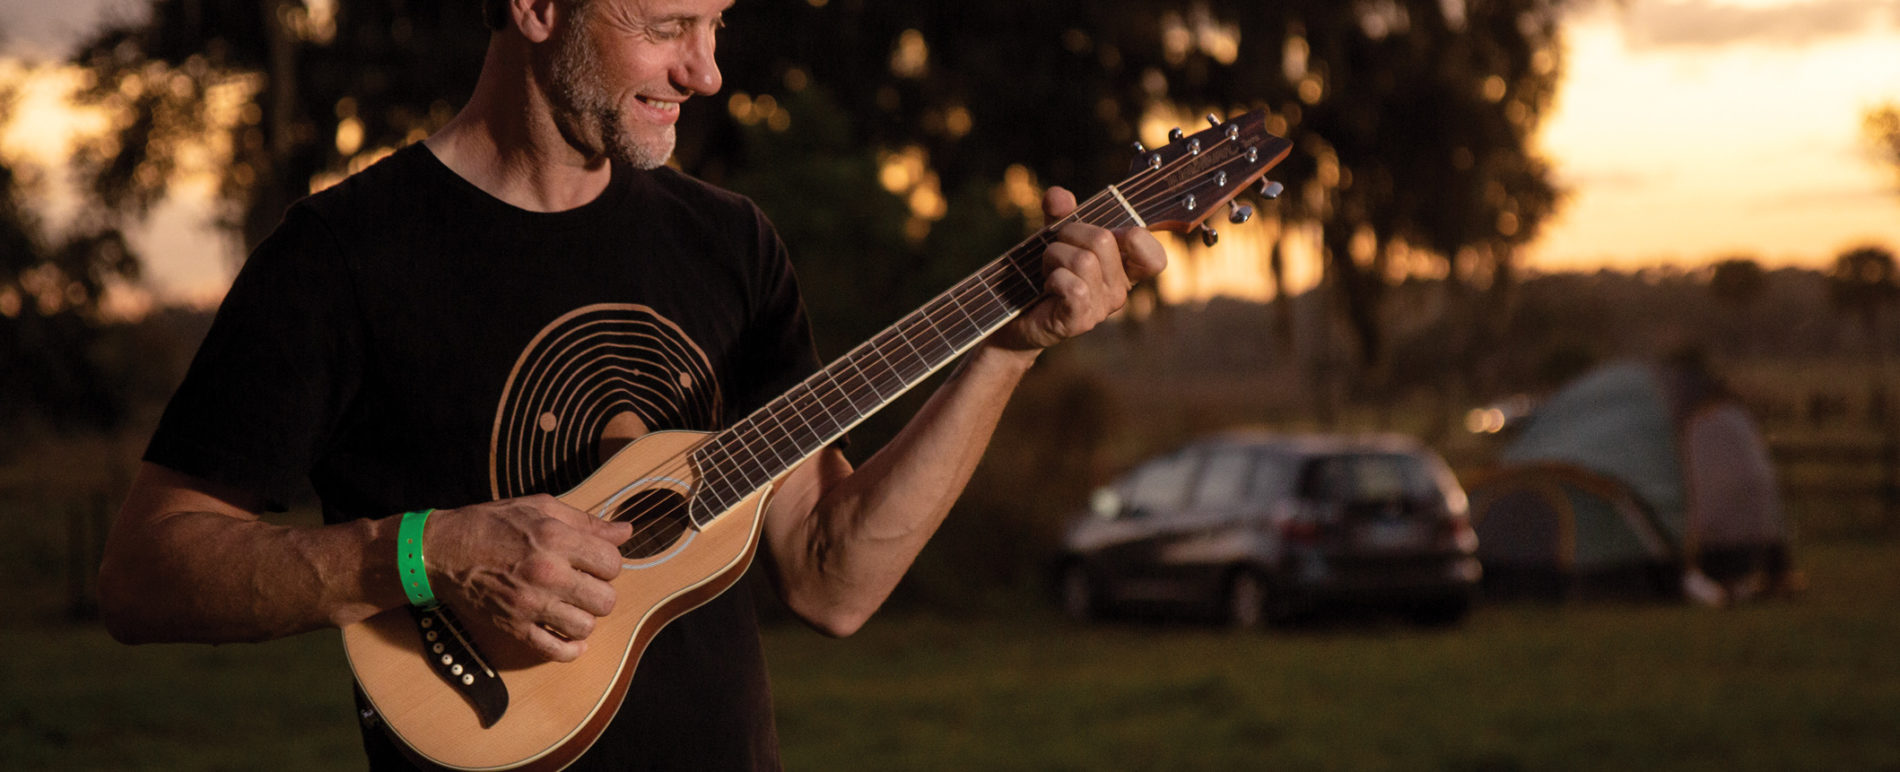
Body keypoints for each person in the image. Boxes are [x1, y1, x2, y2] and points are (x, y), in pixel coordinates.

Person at [95, 0, 1166, 768]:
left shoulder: (730, 246)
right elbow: (145, 574)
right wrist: (430, 553)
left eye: (716, 28)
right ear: (536, 9)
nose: (704, 73)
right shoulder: (341, 256)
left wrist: (1009, 346)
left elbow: (832, 578)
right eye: (664, 29)